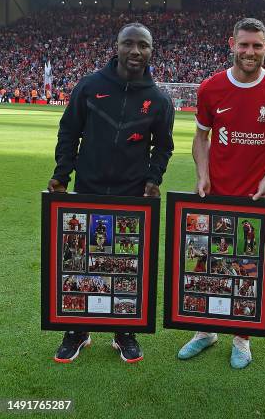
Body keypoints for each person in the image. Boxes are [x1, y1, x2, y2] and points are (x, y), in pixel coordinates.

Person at [47, 22, 175, 363]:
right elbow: (68, 131)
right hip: (88, 187)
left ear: (151, 51)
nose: (136, 51)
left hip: (131, 195)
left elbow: (163, 147)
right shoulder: (89, 86)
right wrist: (62, 174)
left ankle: (124, 330)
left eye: (143, 46)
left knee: (125, 263)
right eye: (129, 44)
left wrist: (153, 178)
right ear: (116, 47)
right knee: (80, 260)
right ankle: (77, 329)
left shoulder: (159, 100)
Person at [178, 17, 265, 369]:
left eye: (257, 45)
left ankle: (242, 337)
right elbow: (200, 138)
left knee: (248, 268)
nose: (250, 51)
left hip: (257, 198)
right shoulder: (211, 88)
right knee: (207, 263)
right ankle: (205, 330)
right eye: (244, 45)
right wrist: (202, 175)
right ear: (232, 44)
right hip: (214, 193)